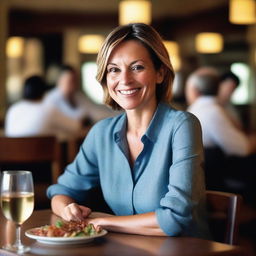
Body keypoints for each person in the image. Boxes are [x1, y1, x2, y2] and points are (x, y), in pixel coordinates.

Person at [47, 23, 209, 238]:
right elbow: (61, 192)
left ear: (160, 73)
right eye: (114, 69)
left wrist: (102, 221)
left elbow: (174, 220)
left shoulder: (182, 125)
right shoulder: (101, 133)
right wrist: (67, 209)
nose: (124, 80)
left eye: (137, 67)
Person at [186, 67, 256, 202]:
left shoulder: (196, 108)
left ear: (195, 90)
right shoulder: (212, 111)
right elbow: (242, 149)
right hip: (215, 179)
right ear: (219, 88)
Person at [5, 75, 82, 140]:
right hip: (46, 157)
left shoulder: (12, 110)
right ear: (44, 93)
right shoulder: (48, 110)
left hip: (12, 157)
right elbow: (76, 127)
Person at [44, 65, 118, 124]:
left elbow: (95, 110)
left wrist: (118, 114)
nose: (74, 83)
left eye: (75, 80)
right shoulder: (51, 99)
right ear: (59, 80)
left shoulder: (78, 96)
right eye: (70, 80)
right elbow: (71, 120)